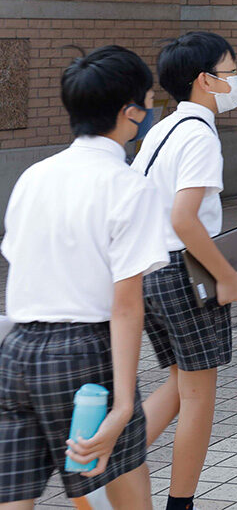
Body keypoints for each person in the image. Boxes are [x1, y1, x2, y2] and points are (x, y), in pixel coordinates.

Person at [0, 46, 169, 510]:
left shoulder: (34, 177)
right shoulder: (129, 186)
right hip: (86, 354)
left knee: (13, 495)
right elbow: (126, 304)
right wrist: (122, 405)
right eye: (148, 101)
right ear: (130, 112)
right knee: (126, 478)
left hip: (16, 355)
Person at [129, 33, 237, 510]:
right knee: (199, 395)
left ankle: (105, 469)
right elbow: (184, 218)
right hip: (186, 275)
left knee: (181, 384)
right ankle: (179, 503)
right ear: (206, 81)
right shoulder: (200, 135)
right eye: (230, 71)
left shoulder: (162, 129)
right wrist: (224, 273)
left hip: (149, 272)